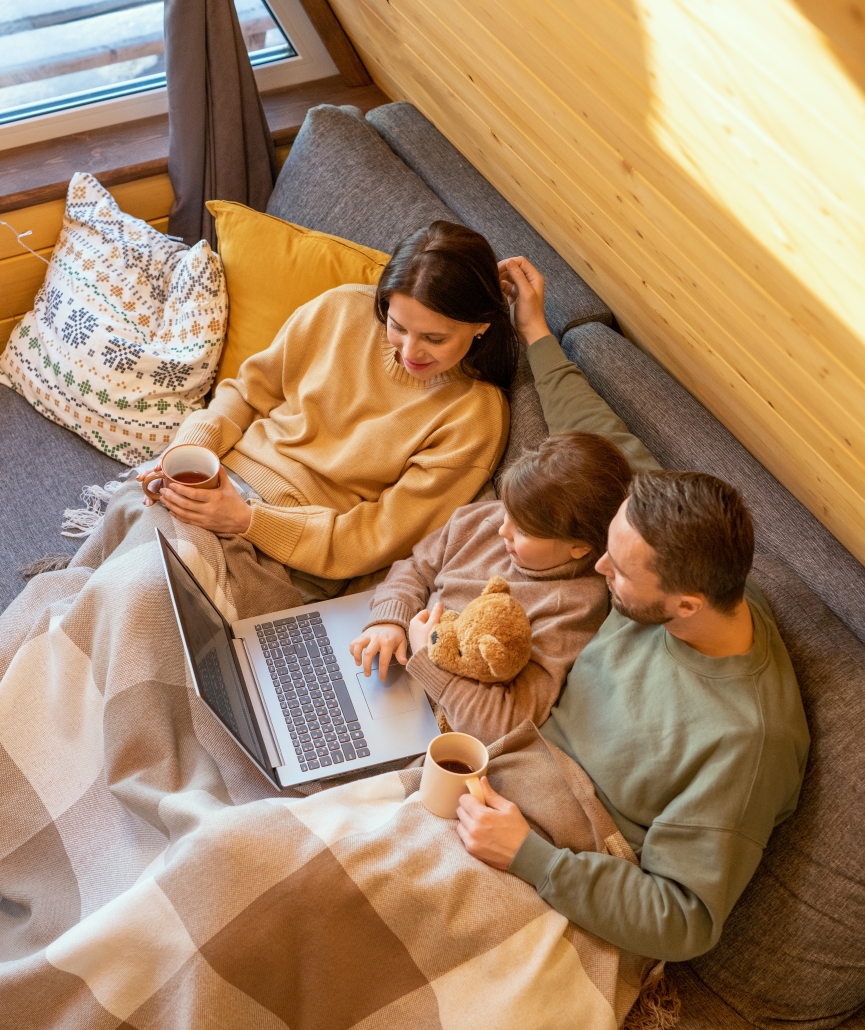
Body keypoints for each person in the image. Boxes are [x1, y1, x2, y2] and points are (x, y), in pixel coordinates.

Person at [452, 256, 810, 963]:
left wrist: (533, 858)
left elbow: (683, 922)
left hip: (569, 863)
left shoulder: (744, 743)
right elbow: (598, 432)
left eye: (617, 566)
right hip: (503, 775)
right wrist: (535, 330)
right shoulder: (673, 537)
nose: (600, 567)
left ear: (683, 604)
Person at [137, 221, 515, 591]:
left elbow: (378, 536)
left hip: (285, 547)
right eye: (397, 325)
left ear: (481, 325)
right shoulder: (342, 308)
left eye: (434, 338)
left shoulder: (475, 416)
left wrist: (245, 520)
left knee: (147, 589)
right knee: (130, 524)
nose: (410, 351)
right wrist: (190, 450)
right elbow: (249, 393)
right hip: (220, 476)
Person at [348, 431, 633, 741]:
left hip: (434, 719)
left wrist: (427, 656)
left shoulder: (572, 609)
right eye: (507, 512)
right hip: (390, 656)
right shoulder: (486, 520)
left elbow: (504, 723)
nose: (501, 530)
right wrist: (389, 619)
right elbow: (416, 567)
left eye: (522, 529)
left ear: (579, 547)